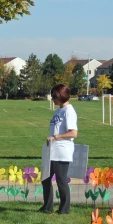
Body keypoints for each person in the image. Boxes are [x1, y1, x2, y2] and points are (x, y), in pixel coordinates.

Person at [39, 84, 78, 215]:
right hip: (52, 150)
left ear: (61, 96)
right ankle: (47, 206)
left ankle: (64, 208)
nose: (52, 99)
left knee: (61, 180)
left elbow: (73, 133)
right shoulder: (58, 111)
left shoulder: (69, 111)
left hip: (62, 151)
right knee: (45, 179)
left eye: (54, 96)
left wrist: (56, 137)